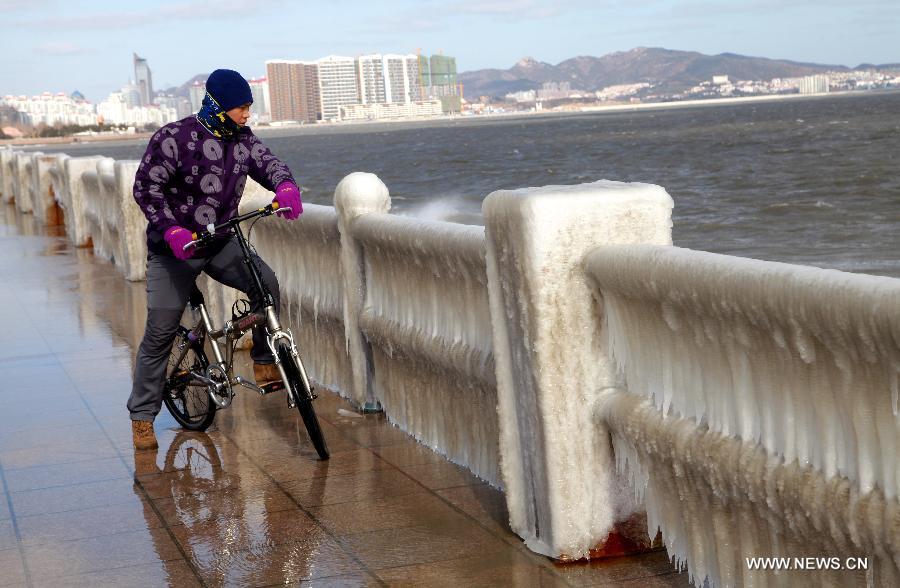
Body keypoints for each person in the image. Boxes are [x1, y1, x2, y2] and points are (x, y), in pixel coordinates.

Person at [127, 69, 302, 450]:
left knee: (265, 283)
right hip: (174, 249)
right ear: (220, 106)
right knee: (159, 332)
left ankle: (262, 357)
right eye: (242, 108)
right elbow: (146, 188)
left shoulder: (242, 140)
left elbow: (270, 164)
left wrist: (286, 186)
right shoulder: (174, 138)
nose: (247, 115)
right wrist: (171, 229)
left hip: (221, 241)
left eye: (249, 107)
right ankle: (142, 415)